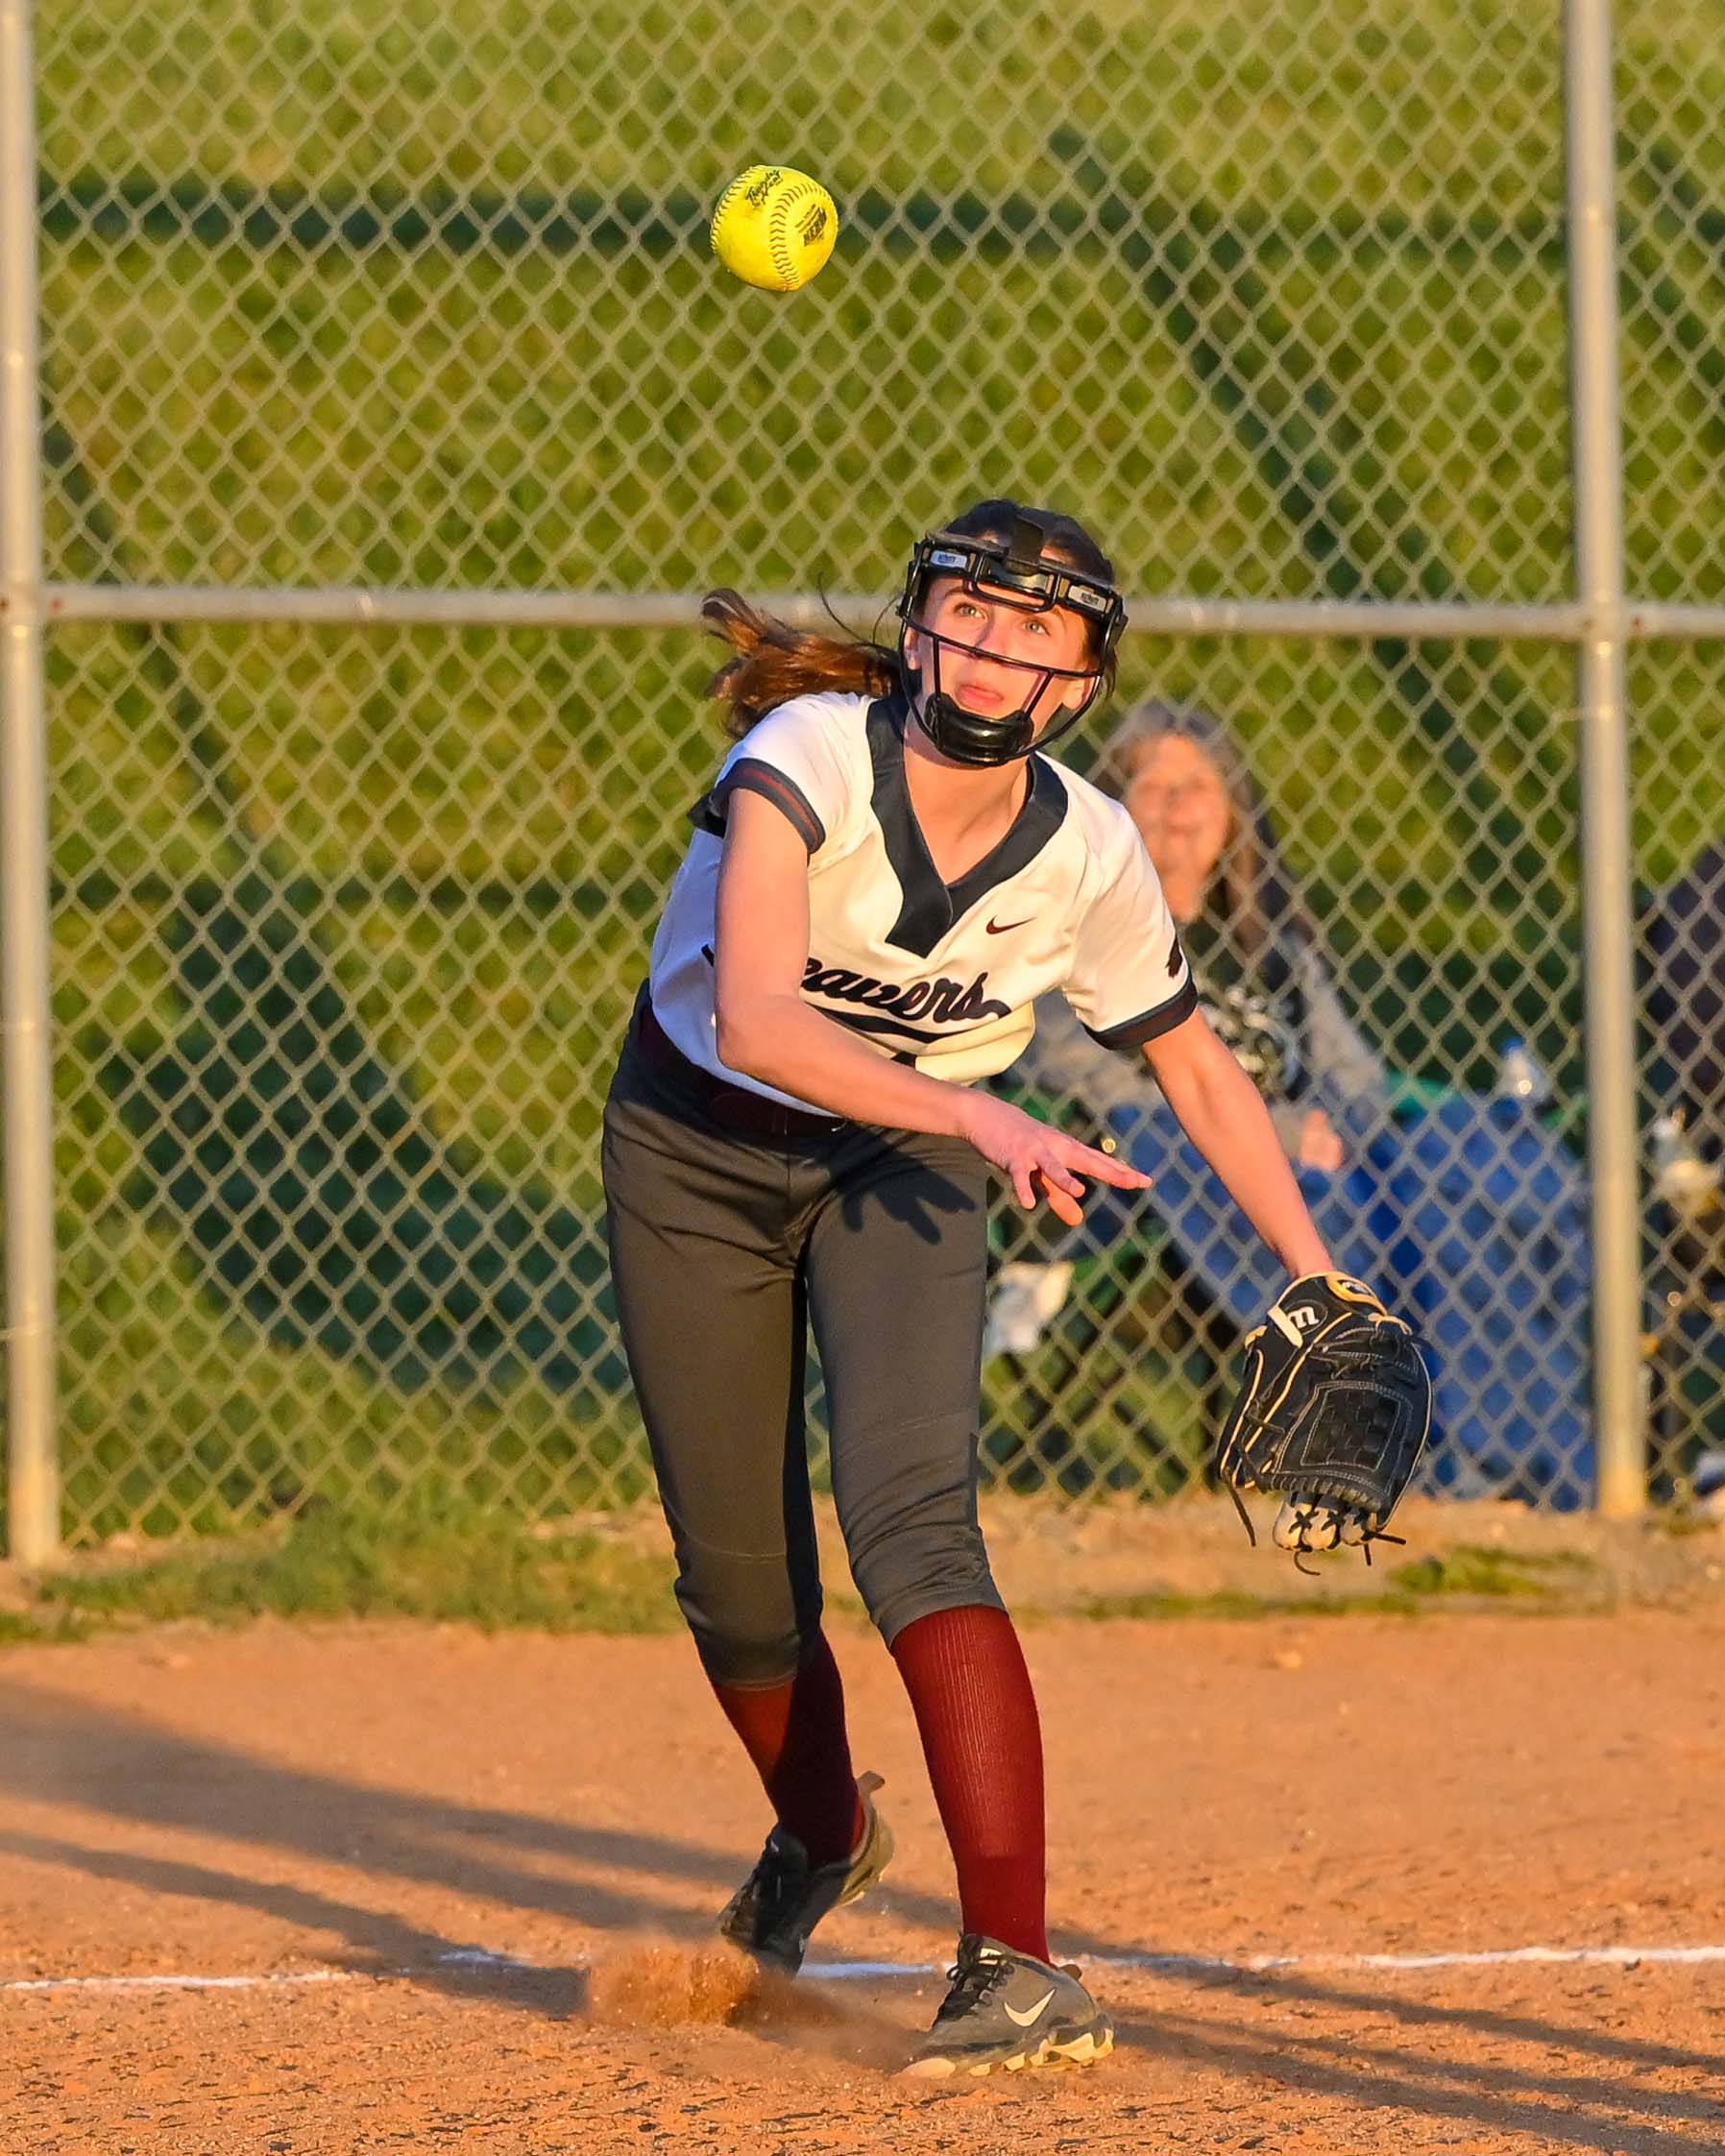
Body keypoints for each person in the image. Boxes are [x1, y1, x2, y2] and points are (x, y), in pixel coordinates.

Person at [600, 500, 1335, 2077]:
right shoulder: (807, 754)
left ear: (1082, 679)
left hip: (908, 1168)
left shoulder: (1089, 845)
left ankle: (1018, 1963)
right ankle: (822, 1833)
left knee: (916, 1528)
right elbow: (755, 1022)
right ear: (921, 619)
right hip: (701, 1147)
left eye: (1040, 627)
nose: (997, 647)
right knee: (738, 1584)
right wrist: (985, 1116)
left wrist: (1316, 1274)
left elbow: (1198, 1069)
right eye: (974, 610)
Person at [1004, 696, 1596, 1509]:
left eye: (1199, 787)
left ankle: (1507, 1458)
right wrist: (1282, 1131)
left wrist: (1333, 1129)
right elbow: (1087, 1077)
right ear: (1113, 809)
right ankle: (1404, 1449)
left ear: (1232, 817)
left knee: (1464, 1177)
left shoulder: (1271, 952)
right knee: (1336, 1199)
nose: (1177, 807)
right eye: (1153, 785)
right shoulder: (1081, 938)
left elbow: (1355, 1078)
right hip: (1187, 1168)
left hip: (1330, 1158)